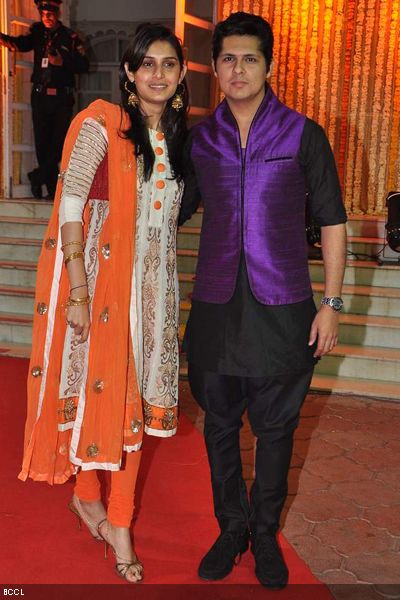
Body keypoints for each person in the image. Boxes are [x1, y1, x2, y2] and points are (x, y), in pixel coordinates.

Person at [179, 12, 347, 589]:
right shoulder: (199, 139)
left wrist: (332, 302)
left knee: (276, 432)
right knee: (219, 428)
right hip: (217, 310)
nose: (238, 69)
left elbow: (332, 222)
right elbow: (166, 212)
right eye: (227, 59)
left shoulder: (304, 133)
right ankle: (231, 529)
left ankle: (265, 532)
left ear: (269, 65)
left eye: (249, 58)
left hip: (284, 310)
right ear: (216, 69)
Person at [18, 23, 188, 583]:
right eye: (148, 64)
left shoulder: (178, 136)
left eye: (168, 64)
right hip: (102, 285)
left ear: (182, 75)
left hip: (155, 293)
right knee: (110, 401)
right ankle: (118, 522)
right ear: (130, 74)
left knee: (127, 401)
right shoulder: (103, 123)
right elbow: (69, 200)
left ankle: (87, 496)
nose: (158, 74)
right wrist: (79, 291)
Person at [0, 0, 89, 200]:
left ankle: (37, 176)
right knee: (42, 144)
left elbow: (84, 64)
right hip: (40, 96)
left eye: (50, 14)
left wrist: (63, 62)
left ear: (57, 13)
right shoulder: (38, 32)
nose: (47, 18)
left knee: (57, 145)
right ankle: (48, 189)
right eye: (43, 14)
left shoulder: (70, 37)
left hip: (62, 98)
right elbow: (20, 45)